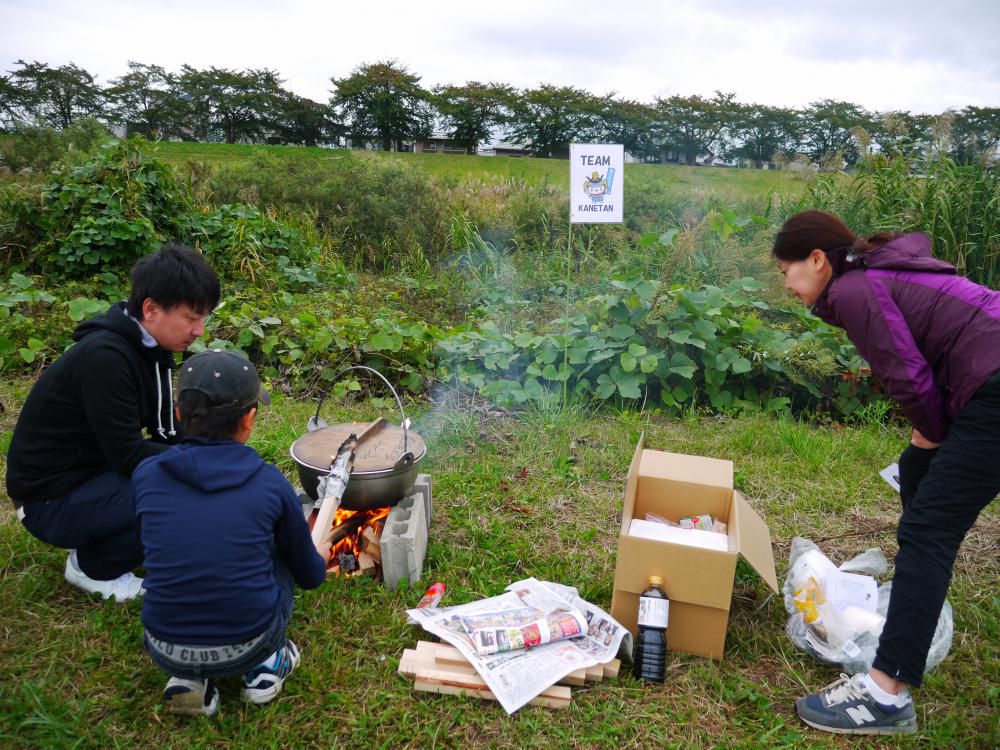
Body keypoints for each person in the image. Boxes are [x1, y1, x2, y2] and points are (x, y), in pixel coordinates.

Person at [772, 210, 1000, 736]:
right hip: (982, 381)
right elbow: (931, 349)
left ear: (816, 259)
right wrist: (927, 440)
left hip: (993, 388)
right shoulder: (874, 274)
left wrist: (932, 429)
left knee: (928, 529)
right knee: (918, 478)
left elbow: (907, 375)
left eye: (787, 270)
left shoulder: (855, 289)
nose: (785, 284)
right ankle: (912, 609)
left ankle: (885, 693)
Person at [6, 244, 220, 602]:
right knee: (179, 487)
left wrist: (217, 456)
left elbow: (166, 428)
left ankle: (119, 536)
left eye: (204, 318)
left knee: (194, 475)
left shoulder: (152, 346)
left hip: (91, 477)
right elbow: (129, 456)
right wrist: (202, 469)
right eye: (192, 317)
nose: (199, 330)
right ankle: (93, 567)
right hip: (48, 501)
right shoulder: (105, 358)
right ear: (151, 308)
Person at [133, 348, 327, 716]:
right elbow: (310, 575)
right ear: (250, 418)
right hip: (249, 642)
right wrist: (321, 556)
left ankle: (188, 679)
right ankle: (267, 667)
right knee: (280, 553)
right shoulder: (269, 483)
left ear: (178, 414)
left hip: (163, 644)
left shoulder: (146, 475)